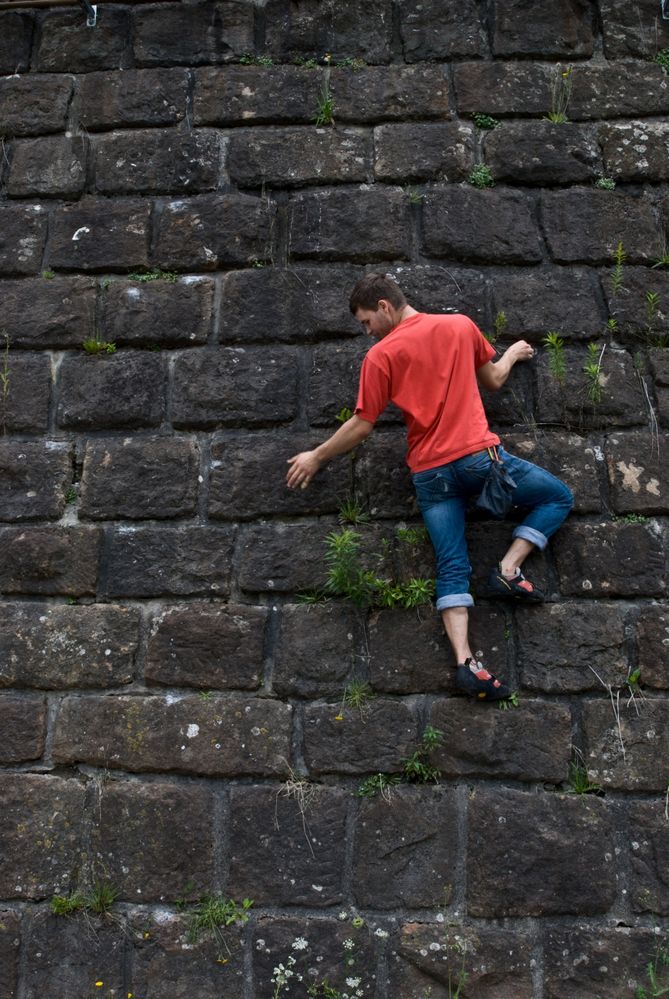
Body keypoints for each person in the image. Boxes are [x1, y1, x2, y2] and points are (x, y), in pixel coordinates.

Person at [286, 273, 573, 701]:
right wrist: (511, 353)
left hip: (430, 474)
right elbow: (493, 379)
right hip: (478, 459)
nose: (366, 332)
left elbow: (363, 425)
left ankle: (466, 664)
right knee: (557, 496)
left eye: (366, 322)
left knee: (452, 565)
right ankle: (509, 569)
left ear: (385, 306)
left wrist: (317, 455)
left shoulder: (381, 356)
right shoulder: (459, 326)